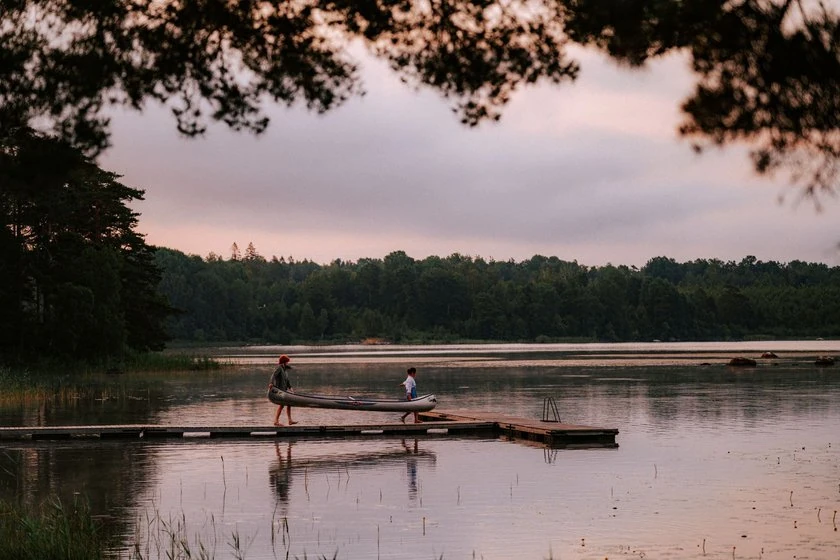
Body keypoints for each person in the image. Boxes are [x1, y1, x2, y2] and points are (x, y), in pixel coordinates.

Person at [268, 355, 298, 426]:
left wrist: (290, 388)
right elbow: (273, 375)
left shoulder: (285, 370)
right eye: (287, 362)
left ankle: (290, 420)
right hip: (280, 391)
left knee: (289, 404)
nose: (288, 363)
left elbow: (287, 381)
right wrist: (271, 383)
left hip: (284, 390)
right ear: (283, 362)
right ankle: (276, 421)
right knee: (282, 405)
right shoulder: (279, 368)